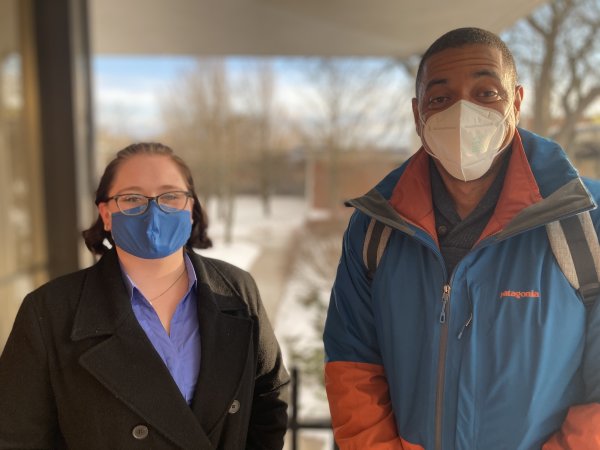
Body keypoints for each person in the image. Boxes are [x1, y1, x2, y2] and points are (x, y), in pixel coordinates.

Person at [323, 27, 600, 449]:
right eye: (440, 98)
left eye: (486, 93)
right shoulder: (376, 226)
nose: (463, 112)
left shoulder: (586, 219)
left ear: (517, 102)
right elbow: (353, 365)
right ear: (418, 115)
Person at [0, 142, 289, 449]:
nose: (153, 210)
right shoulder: (49, 311)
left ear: (191, 208)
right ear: (107, 214)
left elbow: (270, 397)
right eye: (133, 198)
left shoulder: (238, 289)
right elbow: (16, 436)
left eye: (170, 196)